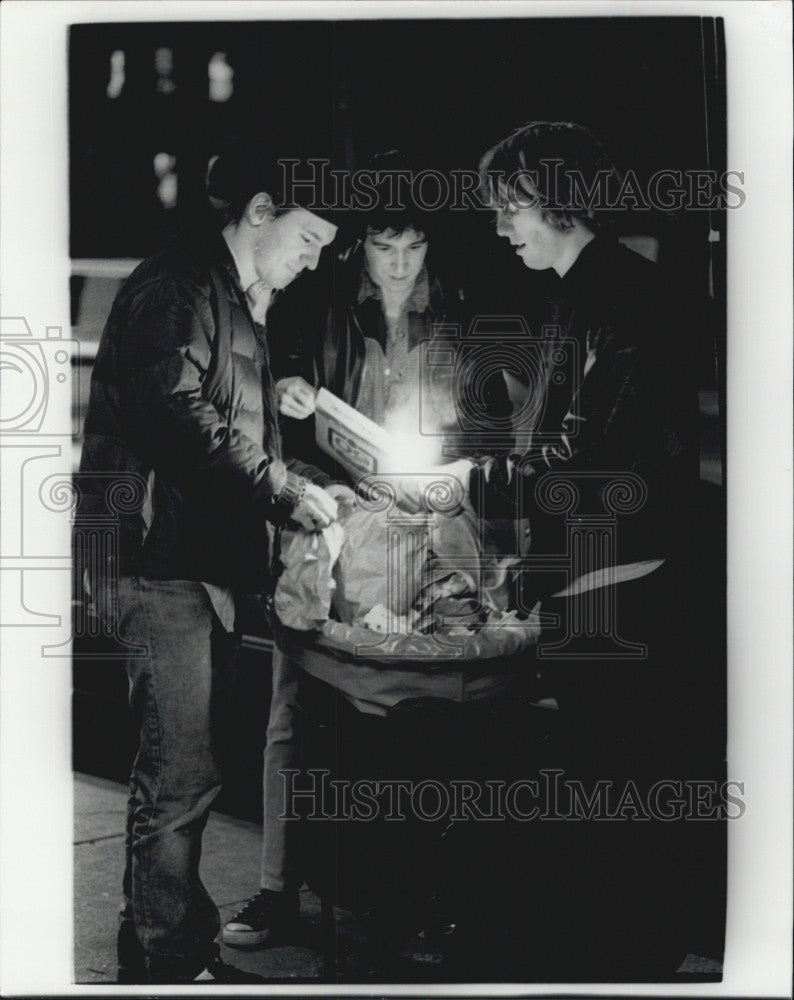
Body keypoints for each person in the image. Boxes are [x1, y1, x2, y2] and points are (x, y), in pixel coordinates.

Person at [221, 154, 513, 950]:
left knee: (417, 712)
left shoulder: (456, 311)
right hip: (334, 521)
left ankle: (409, 895)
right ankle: (276, 889)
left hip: (428, 532)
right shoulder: (317, 301)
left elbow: (485, 430)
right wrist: (295, 407)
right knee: (292, 704)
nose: (399, 266)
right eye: (384, 248)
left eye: (413, 250)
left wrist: (457, 477)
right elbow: (281, 416)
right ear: (360, 248)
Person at [78, 133, 340, 984]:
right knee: (180, 769)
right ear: (261, 212)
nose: (310, 262)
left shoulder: (238, 295)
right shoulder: (180, 283)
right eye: (308, 239)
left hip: (198, 556)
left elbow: (232, 424)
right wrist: (283, 490)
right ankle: (160, 960)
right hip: (156, 558)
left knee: (188, 767)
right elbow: (174, 415)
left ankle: (175, 945)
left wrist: (289, 464)